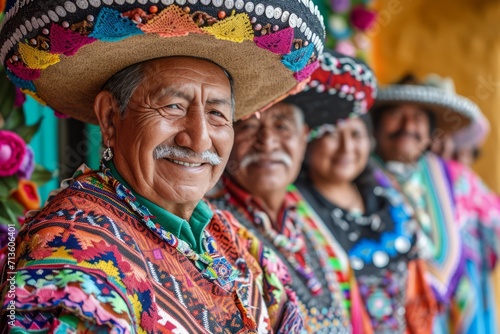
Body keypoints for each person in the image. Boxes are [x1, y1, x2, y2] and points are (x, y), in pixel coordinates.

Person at [0, 1, 326, 332]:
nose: (198, 140)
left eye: (216, 113)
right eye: (172, 106)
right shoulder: (69, 250)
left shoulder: (233, 237)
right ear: (111, 120)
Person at [208, 50, 382, 333]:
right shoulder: (210, 222)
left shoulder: (307, 214)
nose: (267, 142)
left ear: (304, 138)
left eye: (282, 125)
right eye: (249, 125)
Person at [286, 51, 435, 333]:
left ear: (370, 142)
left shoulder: (388, 199)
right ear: (307, 143)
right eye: (331, 134)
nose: (346, 148)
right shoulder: (296, 209)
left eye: (355, 135)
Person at [371, 74, 500, 334]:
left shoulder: (455, 177)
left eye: (418, 119)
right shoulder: (357, 174)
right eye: (396, 115)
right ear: (376, 125)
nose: (408, 125)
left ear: (430, 135)